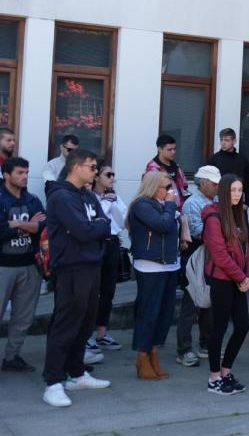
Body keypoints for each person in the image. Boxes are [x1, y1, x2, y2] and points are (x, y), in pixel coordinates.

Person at [42, 150, 112, 407]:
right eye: (92, 167)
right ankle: (53, 382)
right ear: (76, 167)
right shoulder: (61, 196)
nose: (96, 172)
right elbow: (84, 230)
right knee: (67, 324)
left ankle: (76, 373)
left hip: (91, 265)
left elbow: (105, 224)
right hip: (71, 268)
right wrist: (96, 227)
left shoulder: (88, 195)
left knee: (85, 323)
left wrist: (96, 227)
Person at [202, 174, 249, 395]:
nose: (237, 194)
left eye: (240, 190)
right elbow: (220, 255)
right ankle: (214, 378)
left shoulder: (238, 214)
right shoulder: (214, 218)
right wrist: (241, 278)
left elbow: (247, 249)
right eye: (233, 190)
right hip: (222, 280)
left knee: (243, 326)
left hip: (238, 281)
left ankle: (226, 372)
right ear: (223, 191)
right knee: (219, 328)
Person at [128, 171, 181, 381]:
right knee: (148, 313)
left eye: (171, 187)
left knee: (164, 314)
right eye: (166, 187)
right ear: (153, 187)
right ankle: (142, 357)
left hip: (169, 264)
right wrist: (170, 205)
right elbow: (162, 225)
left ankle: (153, 354)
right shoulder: (142, 204)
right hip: (150, 265)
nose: (170, 191)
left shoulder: (165, 205)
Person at [0, 157, 45, 372]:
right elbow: (1, 231)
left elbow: (44, 225)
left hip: (29, 266)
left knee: (24, 317)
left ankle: (12, 357)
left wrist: (16, 224)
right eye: (20, 173)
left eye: (26, 172)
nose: (25, 176)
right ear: (6, 175)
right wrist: (29, 225)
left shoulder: (33, 199)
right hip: (3, 266)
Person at [177, 165, 220, 367]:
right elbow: (198, 232)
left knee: (209, 302)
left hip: (211, 256)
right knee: (191, 303)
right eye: (214, 183)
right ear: (203, 184)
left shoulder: (214, 201)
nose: (217, 187)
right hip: (195, 256)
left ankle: (205, 344)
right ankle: (184, 349)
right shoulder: (193, 203)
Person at [87, 161, 127, 353]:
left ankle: (102, 333)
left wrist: (112, 202)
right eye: (108, 175)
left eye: (113, 175)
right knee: (91, 291)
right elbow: (94, 220)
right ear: (96, 177)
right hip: (95, 244)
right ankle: (86, 336)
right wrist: (105, 202)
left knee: (108, 291)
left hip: (111, 244)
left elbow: (121, 222)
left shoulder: (114, 197)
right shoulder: (89, 197)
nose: (112, 178)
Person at [207, 128, 249, 210]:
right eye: (221, 140)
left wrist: (247, 203)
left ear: (234, 141)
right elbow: (208, 181)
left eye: (226, 140)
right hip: (219, 202)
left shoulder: (242, 160)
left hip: (238, 202)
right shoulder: (214, 159)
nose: (223, 143)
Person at [145, 135, 188, 209]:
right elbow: (151, 193)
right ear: (160, 149)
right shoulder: (152, 169)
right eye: (169, 149)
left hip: (180, 210)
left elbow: (185, 186)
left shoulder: (176, 166)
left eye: (174, 149)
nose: (173, 152)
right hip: (163, 209)